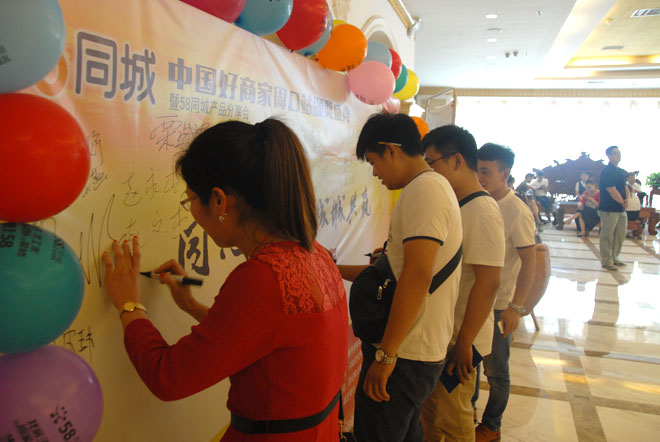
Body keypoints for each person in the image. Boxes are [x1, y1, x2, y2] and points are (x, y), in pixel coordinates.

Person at [102, 119, 349, 441]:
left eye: (190, 200)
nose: (191, 211)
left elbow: (168, 378)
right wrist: (192, 306)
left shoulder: (262, 278)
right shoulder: (314, 253)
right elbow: (267, 339)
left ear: (219, 201)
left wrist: (129, 305)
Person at [338, 113, 463, 442]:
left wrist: (387, 354)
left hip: (407, 352)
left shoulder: (426, 191)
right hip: (411, 350)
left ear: (391, 150)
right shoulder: (427, 188)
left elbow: (417, 275)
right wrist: (332, 268)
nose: (375, 173)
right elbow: (396, 272)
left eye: (374, 162)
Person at [419, 125, 505, 442]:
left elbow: (489, 281)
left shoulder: (482, 209)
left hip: (461, 341)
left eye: (431, 163)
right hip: (447, 336)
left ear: (456, 160)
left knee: (454, 421)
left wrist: (464, 342)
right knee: (435, 416)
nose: (429, 172)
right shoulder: (459, 204)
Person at [474, 143, 536, 442]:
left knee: (496, 371)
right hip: (475, 300)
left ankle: (492, 425)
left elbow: (530, 262)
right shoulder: (477, 201)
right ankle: (467, 415)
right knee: (469, 363)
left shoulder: (517, 210)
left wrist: (516, 307)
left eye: (486, 171)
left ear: (505, 173)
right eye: (477, 170)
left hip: (500, 305)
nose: (480, 177)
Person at [598, 146, 629, 271]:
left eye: (619, 153)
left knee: (620, 234)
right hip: (609, 209)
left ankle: (615, 257)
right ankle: (606, 260)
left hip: (621, 209)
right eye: (615, 153)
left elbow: (625, 187)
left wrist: (627, 200)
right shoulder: (607, 171)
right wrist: (622, 201)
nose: (618, 155)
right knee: (607, 235)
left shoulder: (620, 171)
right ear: (609, 156)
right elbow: (611, 190)